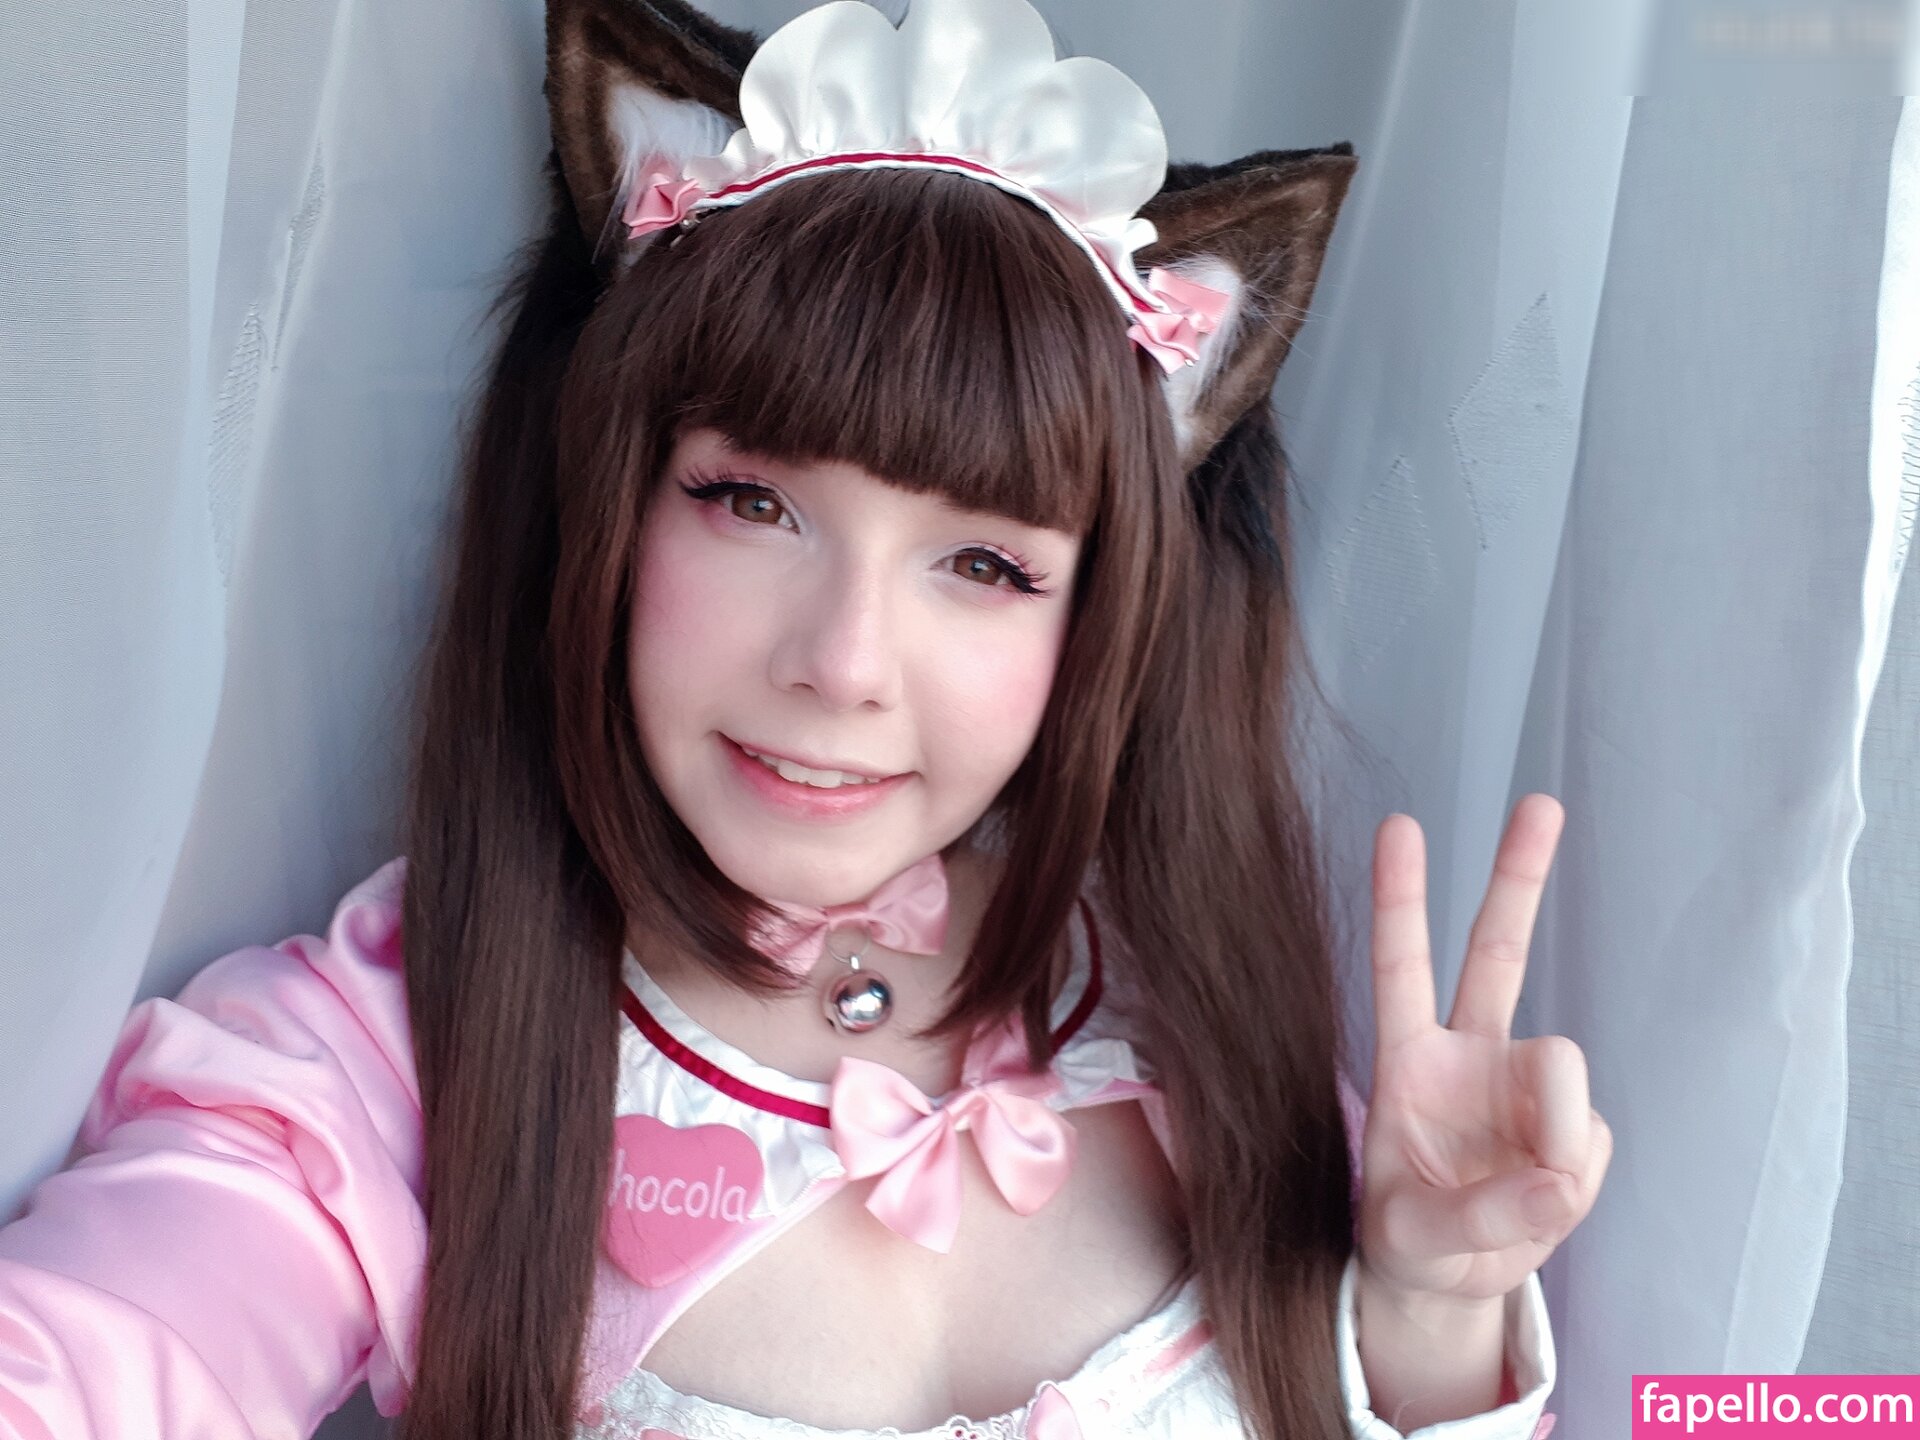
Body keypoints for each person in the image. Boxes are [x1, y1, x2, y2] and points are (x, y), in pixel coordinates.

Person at [0, 0, 1612, 1436]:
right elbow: (105, 1351)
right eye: (752, 503)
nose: (844, 663)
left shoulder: (1198, 1013)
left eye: (983, 564)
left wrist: (1429, 1314)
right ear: (610, 500)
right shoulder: (388, 1058)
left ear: (1102, 621)